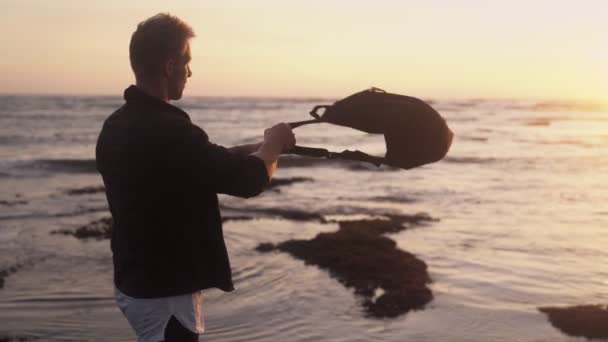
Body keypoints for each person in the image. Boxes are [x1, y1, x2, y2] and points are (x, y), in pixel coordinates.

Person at [95, 13, 295, 342]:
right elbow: (248, 181)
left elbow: (200, 161)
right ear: (170, 65)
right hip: (165, 289)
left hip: (136, 278)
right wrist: (272, 147)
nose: (190, 72)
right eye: (186, 62)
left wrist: (264, 146)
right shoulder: (168, 129)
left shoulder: (119, 124)